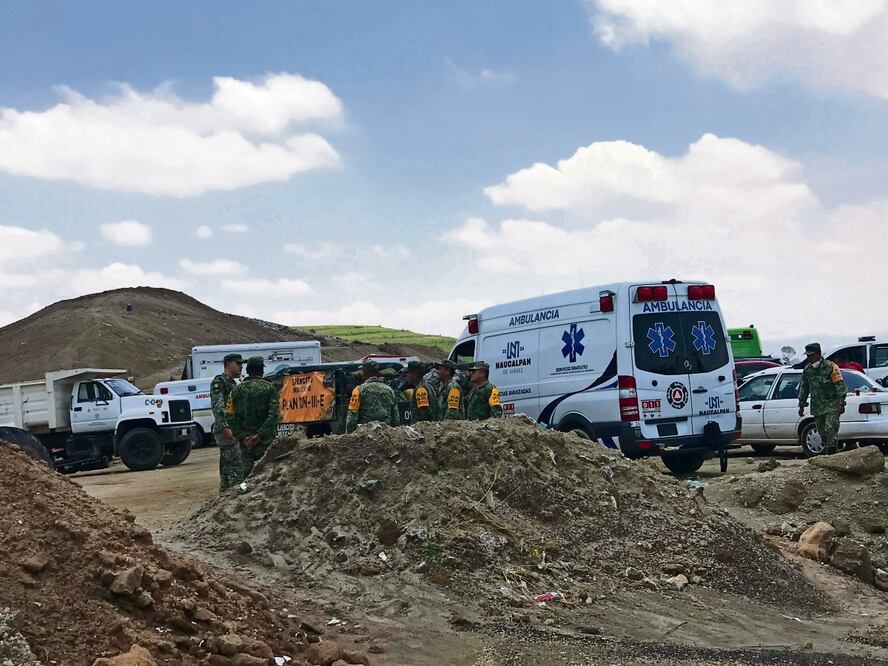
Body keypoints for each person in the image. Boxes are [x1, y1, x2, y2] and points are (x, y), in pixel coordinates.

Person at [226, 356, 281, 477]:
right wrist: (259, 435)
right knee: (266, 475)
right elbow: (274, 415)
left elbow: (229, 416)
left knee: (246, 475)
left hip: (246, 444)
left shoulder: (236, 390)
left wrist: (243, 436)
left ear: (247, 371)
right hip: (265, 441)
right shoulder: (270, 388)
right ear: (261, 370)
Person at [798, 343, 847, 455]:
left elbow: (839, 386)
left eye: (811, 355)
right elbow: (804, 387)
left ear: (818, 354)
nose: (809, 358)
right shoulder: (808, 370)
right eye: (807, 356)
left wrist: (841, 404)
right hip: (817, 406)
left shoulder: (831, 366)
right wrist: (801, 405)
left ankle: (832, 452)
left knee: (831, 429)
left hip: (832, 404)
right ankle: (829, 450)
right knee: (821, 432)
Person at [211, 353, 244, 491]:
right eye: (238, 364)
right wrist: (225, 427)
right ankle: (235, 493)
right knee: (235, 463)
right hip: (226, 430)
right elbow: (218, 406)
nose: (241, 367)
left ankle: (225, 494)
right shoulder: (220, 382)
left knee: (226, 465)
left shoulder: (232, 383)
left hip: (230, 428)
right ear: (229, 364)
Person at [346, 359, 400, 433]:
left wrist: (349, 435)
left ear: (364, 373)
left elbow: (352, 415)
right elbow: (395, 417)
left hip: (366, 434)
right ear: (377, 373)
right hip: (385, 433)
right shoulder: (389, 390)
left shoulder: (358, 390)